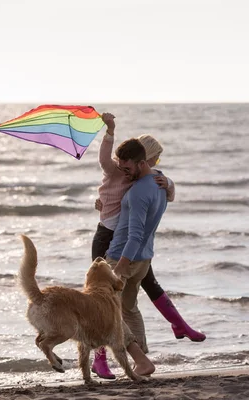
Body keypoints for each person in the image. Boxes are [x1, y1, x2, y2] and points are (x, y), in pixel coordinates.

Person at [91, 113, 205, 380]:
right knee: (119, 303)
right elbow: (105, 161)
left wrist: (170, 184)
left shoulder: (150, 182)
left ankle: (133, 357)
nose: (156, 164)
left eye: (155, 163)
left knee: (109, 306)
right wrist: (110, 130)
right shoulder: (121, 172)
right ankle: (111, 359)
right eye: (155, 159)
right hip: (109, 236)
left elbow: (140, 222)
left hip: (126, 248)